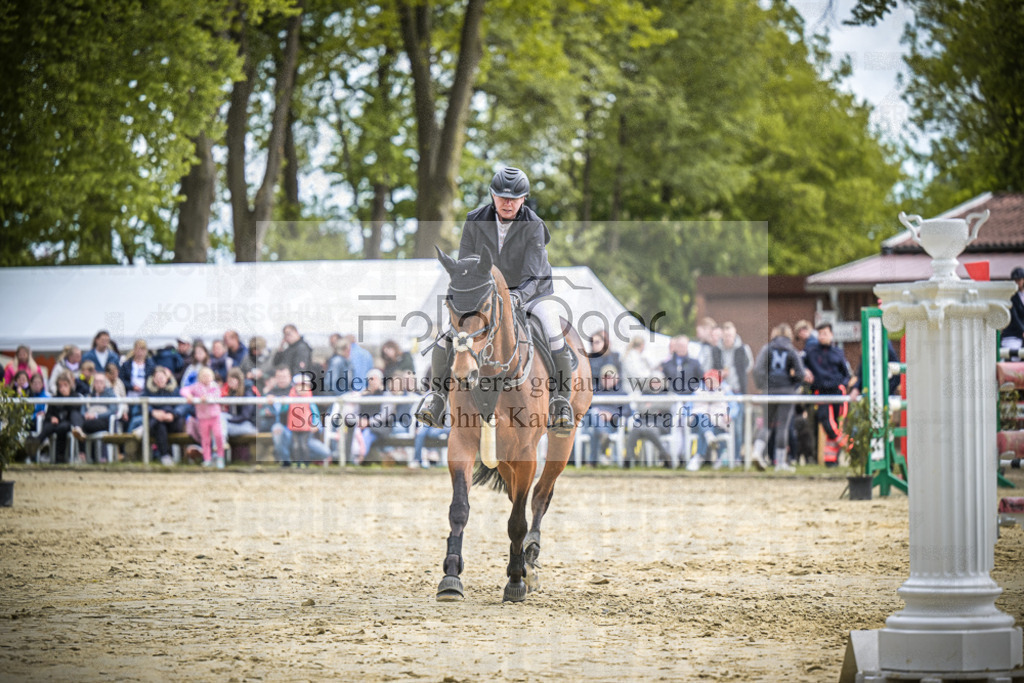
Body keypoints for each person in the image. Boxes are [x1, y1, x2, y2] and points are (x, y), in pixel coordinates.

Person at [414, 166, 577, 433]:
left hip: (531, 292)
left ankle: (560, 402)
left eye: (514, 198)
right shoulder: (474, 219)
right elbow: (466, 264)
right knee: (446, 334)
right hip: (486, 292)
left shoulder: (534, 225)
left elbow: (534, 274)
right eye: (502, 197)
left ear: (523, 199)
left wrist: (516, 296)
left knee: (553, 333)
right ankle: (437, 397)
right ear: (493, 195)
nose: (507, 203)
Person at [751, 323, 809, 471]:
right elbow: (801, 373)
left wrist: (763, 385)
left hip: (769, 391)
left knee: (766, 424)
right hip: (786, 392)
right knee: (783, 426)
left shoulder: (767, 348)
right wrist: (792, 383)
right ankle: (780, 463)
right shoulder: (792, 350)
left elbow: (757, 370)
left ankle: (757, 451)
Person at [803, 322, 851, 467]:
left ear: (831, 335)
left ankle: (831, 460)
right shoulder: (811, 352)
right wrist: (805, 371)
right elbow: (800, 363)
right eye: (820, 333)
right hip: (821, 392)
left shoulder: (838, 352)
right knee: (828, 424)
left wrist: (843, 385)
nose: (822, 336)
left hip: (837, 392)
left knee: (837, 424)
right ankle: (851, 447)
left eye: (825, 333)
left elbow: (846, 374)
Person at [279, 373, 333, 467]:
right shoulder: (290, 399)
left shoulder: (310, 400)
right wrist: (283, 403)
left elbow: (315, 414)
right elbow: (283, 410)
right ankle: (296, 463)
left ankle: (305, 463)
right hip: (293, 429)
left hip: (306, 430)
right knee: (296, 445)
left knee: (304, 446)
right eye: (300, 386)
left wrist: (316, 425)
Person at [581, 364, 628, 466]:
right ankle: (603, 435)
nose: (607, 380)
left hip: (612, 425)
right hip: (591, 423)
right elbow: (583, 408)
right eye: (605, 377)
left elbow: (627, 412)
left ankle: (592, 462)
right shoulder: (593, 391)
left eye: (610, 377)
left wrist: (612, 416)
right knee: (593, 413)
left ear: (616, 379)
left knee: (594, 430)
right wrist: (598, 414)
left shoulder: (622, 393)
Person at [625, 371, 674, 467]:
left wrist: (650, 405)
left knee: (650, 428)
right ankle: (628, 458)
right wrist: (656, 407)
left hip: (661, 424)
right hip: (643, 423)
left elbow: (666, 406)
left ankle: (664, 454)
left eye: (658, 382)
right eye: (653, 382)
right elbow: (641, 409)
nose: (655, 384)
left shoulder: (667, 394)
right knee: (635, 429)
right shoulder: (644, 394)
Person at [181, 367, 226, 468]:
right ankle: (207, 459)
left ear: (212, 377)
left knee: (218, 436)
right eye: (203, 376)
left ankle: (220, 457)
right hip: (202, 418)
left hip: (215, 417)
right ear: (200, 377)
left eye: (208, 376)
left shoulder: (215, 386)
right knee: (205, 439)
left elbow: (217, 395)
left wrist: (207, 398)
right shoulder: (196, 387)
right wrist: (189, 396)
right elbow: (184, 390)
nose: (206, 378)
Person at [36, 372, 83, 463]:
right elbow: (48, 414)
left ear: (70, 385)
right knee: (48, 427)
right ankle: (35, 444)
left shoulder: (75, 397)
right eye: (60, 386)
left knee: (62, 427)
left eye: (65, 385)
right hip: (55, 423)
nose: (63, 388)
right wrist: (52, 418)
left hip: (68, 423)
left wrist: (66, 400)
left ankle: (59, 457)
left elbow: (74, 412)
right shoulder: (54, 398)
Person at [143, 365, 184, 467]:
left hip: (173, 423)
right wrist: (153, 412)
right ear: (153, 379)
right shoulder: (148, 391)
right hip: (158, 425)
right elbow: (140, 406)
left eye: (162, 377)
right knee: (160, 425)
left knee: (161, 417)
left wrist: (172, 414)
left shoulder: (175, 390)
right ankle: (165, 456)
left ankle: (165, 455)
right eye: (157, 378)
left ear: (167, 378)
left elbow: (183, 405)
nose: (160, 380)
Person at [70, 373, 119, 452]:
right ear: (93, 383)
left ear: (105, 384)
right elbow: (83, 409)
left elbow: (112, 411)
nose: (98, 384)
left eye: (101, 382)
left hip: (103, 421)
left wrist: (96, 415)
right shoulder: (89, 395)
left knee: (85, 425)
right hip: (88, 419)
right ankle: (78, 429)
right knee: (74, 413)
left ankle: (82, 451)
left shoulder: (110, 395)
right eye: (96, 382)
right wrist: (85, 414)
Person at [1002, 266, 1024, 350]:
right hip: (1013, 334)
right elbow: (1015, 316)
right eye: (1015, 280)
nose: (1017, 282)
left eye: (1019, 280)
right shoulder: (1011, 296)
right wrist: (1022, 330)